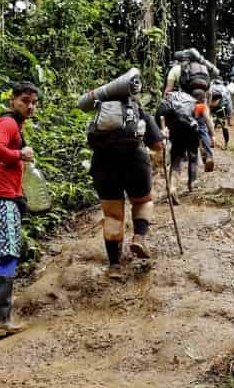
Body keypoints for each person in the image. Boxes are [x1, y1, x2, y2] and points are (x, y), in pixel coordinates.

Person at [0, 81, 38, 339]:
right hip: (1, 199)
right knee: (9, 255)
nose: (30, 106)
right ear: (12, 100)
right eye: (25, 100)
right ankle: (1, 321)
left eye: (34, 102)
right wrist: (20, 155)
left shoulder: (9, 123)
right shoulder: (8, 123)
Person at [86, 95, 166, 277]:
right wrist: (163, 138)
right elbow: (157, 145)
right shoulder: (138, 110)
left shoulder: (100, 112)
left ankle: (114, 265)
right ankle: (139, 237)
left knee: (112, 216)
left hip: (103, 164)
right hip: (135, 162)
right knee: (143, 202)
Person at [157, 93, 204, 204]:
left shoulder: (170, 103)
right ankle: (192, 183)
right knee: (193, 156)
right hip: (189, 128)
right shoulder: (195, 103)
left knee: (176, 159)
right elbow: (202, 122)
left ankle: (172, 187)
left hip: (175, 129)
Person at [193, 88, 216, 173]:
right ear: (203, 99)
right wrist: (213, 135)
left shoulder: (188, 105)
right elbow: (208, 121)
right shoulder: (202, 106)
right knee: (203, 130)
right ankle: (209, 156)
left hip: (189, 127)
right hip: (200, 127)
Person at [209, 79, 233, 149]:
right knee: (210, 123)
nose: (213, 103)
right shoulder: (210, 88)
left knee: (224, 125)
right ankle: (211, 141)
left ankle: (226, 143)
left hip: (221, 108)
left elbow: (229, 105)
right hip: (210, 105)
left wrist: (229, 117)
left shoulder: (225, 93)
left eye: (214, 101)